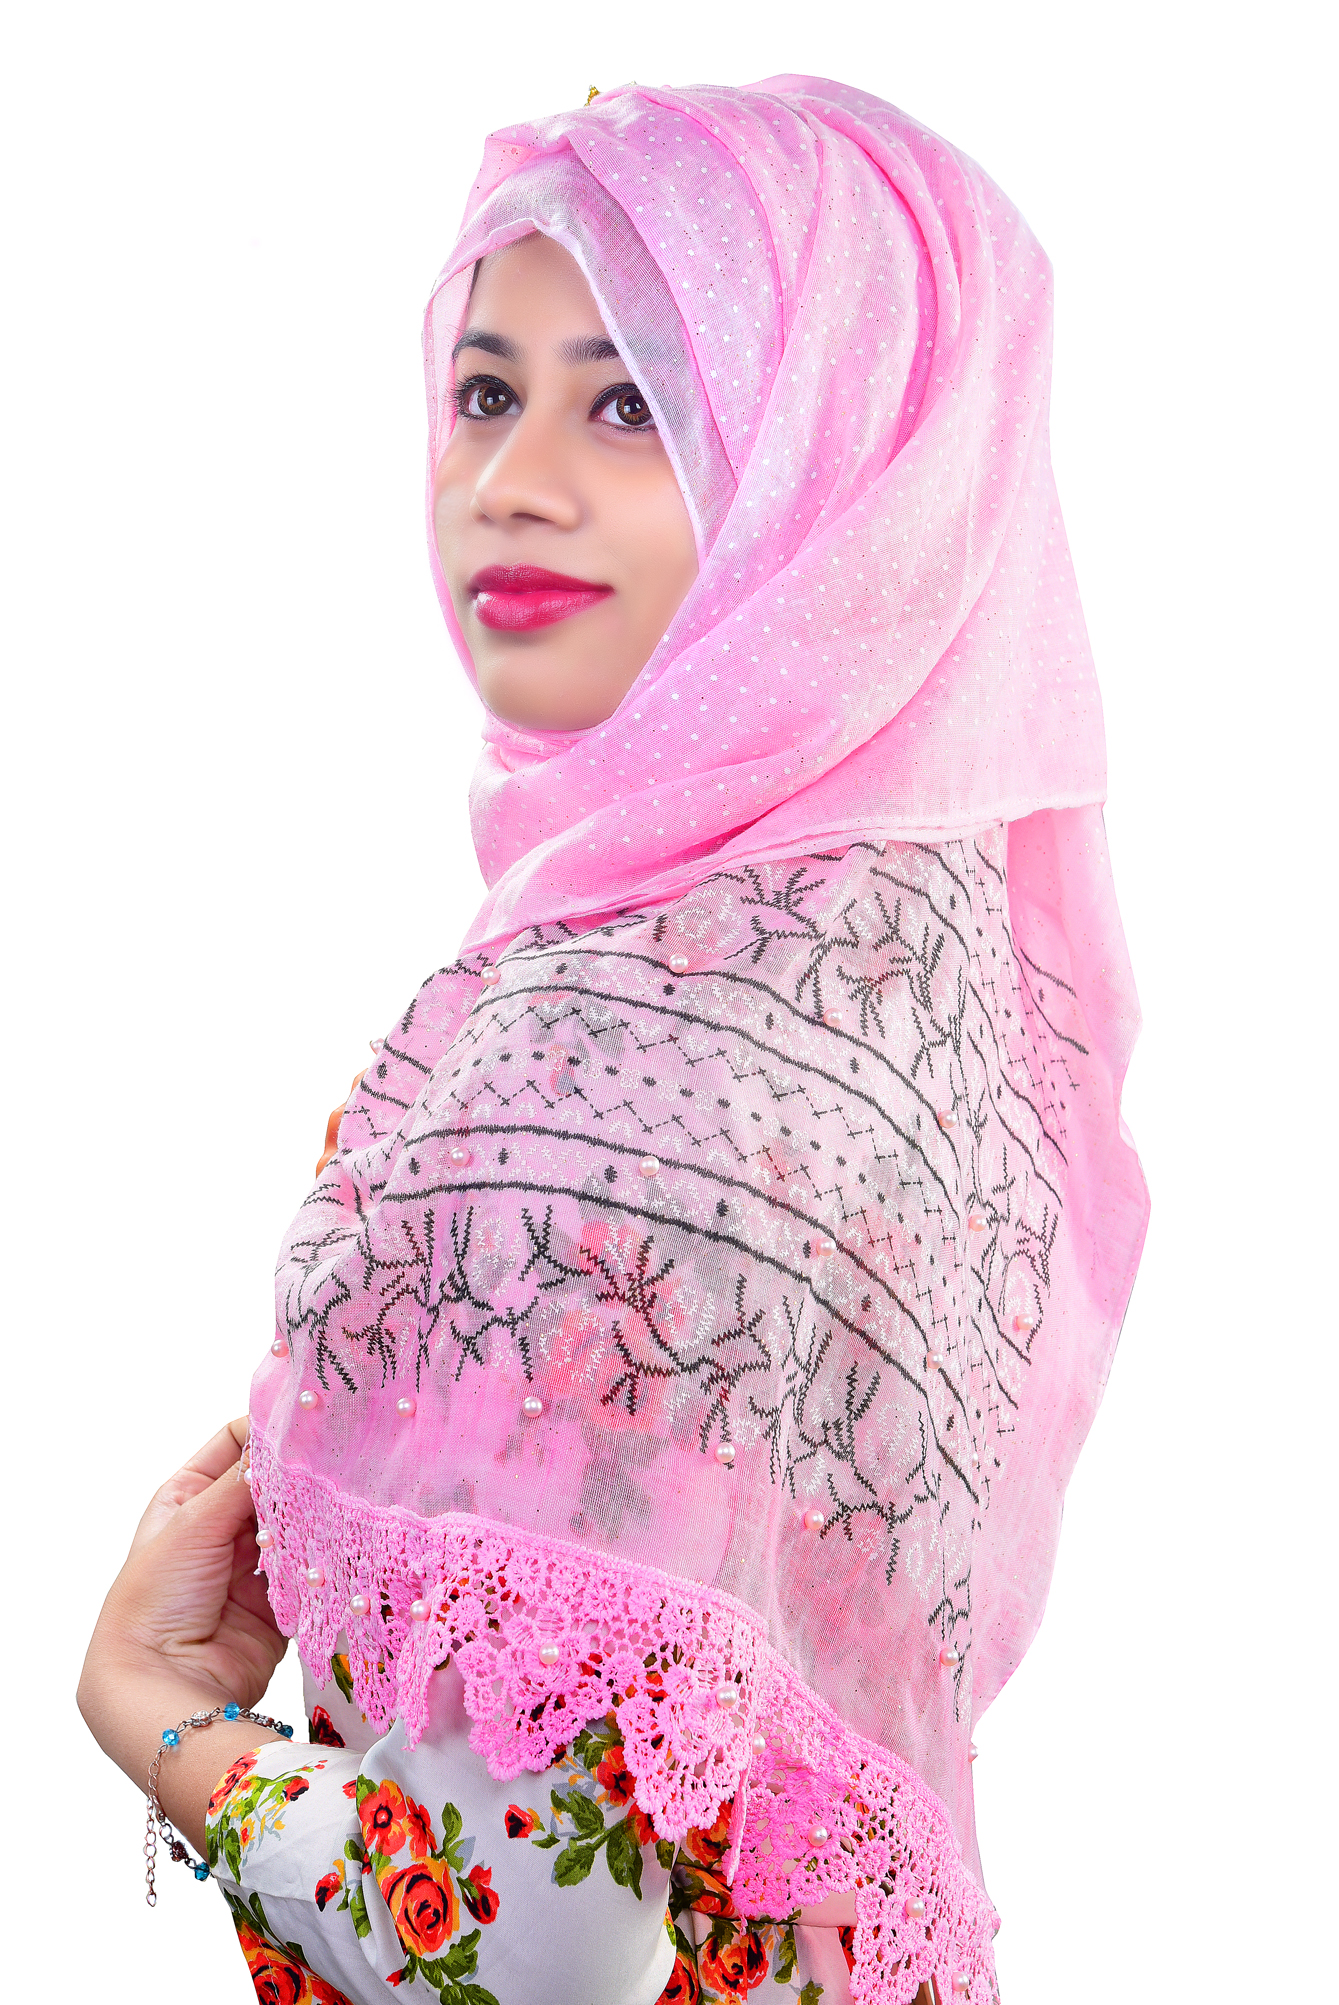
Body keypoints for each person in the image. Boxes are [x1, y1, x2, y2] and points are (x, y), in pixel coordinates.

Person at [79, 76, 1148, 2005]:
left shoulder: (625, 1054)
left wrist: (156, 1708)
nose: (511, 480)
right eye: (487, 390)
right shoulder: (882, 988)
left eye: (636, 401)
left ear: (844, 475)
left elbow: (524, 1953)